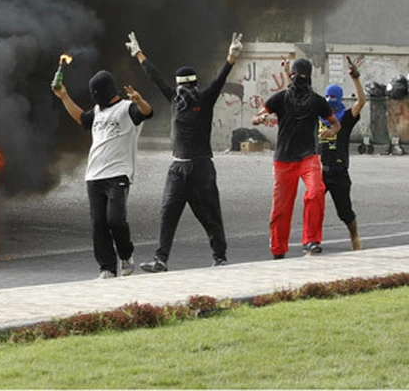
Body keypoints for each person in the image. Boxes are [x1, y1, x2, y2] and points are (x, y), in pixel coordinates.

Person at [125, 32, 243, 272]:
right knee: (168, 212)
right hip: (178, 168)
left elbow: (221, 79)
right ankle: (161, 260)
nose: (180, 92)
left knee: (211, 214)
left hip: (201, 168)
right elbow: (155, 77)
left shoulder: (204, 98)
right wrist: (138, 53)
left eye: (181, 87)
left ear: (184, 84)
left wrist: (231, 56)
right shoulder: (175, 98)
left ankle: (220, 257)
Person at [52, 67, 153, 279]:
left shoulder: (127, 108)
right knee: (99, 224)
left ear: (105, 91)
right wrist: (64, 96)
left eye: (96, 93)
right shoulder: (97, 111)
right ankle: (107, 267)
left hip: (118, 173)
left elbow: (146, 112)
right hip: (94, 175)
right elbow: (81, 118)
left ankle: (126, 255)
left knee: (115, 219)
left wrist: (139, 100)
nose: (95, 98)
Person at [251, 58, 340, 259]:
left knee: (316, 191)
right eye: (294, 75)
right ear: (290, 76)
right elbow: (256, 116)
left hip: (308, 157)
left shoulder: (318, 101)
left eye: (301, 75)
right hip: (283, 159)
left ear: (308, 77)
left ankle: (311, 240)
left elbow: (335, 123)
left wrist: (330, 131)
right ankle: (278, 249)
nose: (297, 79)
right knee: (281, 207)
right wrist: (261, 118)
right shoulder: (280, 98)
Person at [319, 59, 366, 251]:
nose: (330, 100)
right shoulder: (317, 116)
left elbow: (361, 102)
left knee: (344, 211)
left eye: (334, 96)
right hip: (320, 171)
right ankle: (312, 242)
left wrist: (355, 78)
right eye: (327, 96)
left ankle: (354, 235)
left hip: (339, 172)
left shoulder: (345, 118)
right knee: (313, 206)